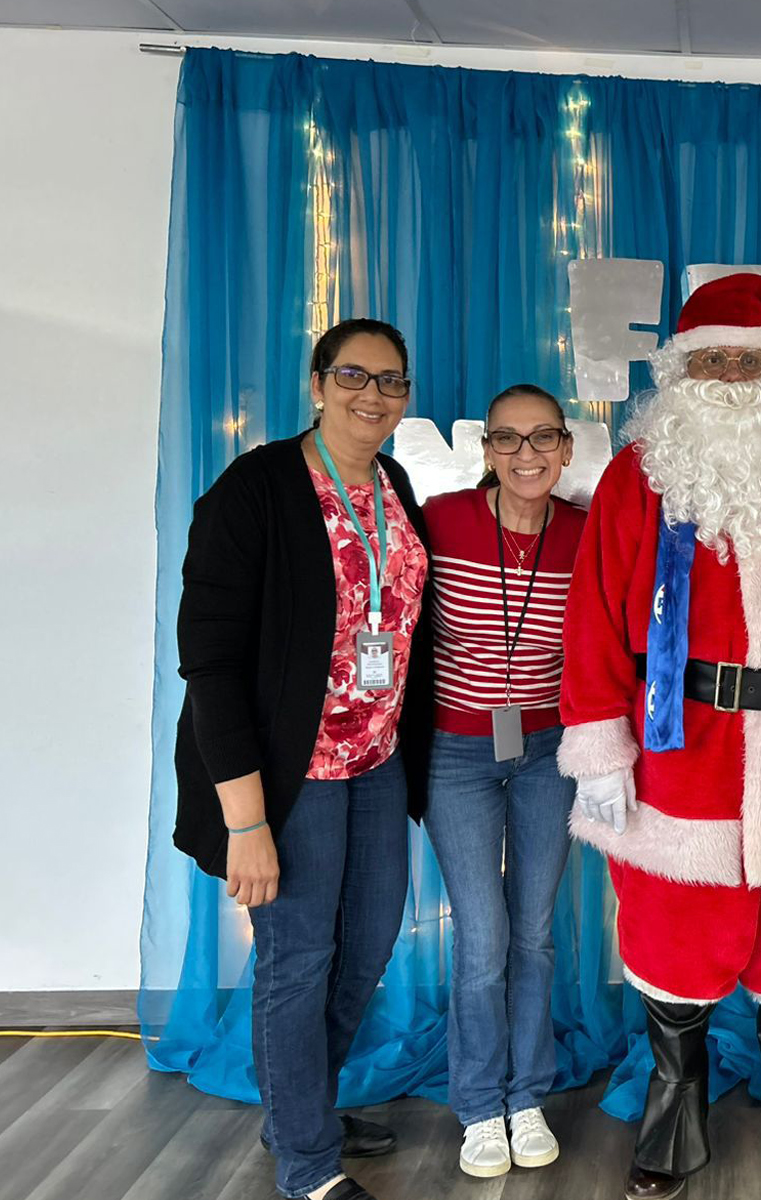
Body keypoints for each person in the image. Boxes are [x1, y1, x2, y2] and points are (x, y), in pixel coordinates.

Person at [558, 273, 761, 1200]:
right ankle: (674, 1107)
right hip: (680, 753)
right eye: (711, 360)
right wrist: (599, 751)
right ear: (680, 375)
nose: (730, 377)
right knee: (672, 935)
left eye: (749, 361)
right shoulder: (637, 476)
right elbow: (594, 619)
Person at [173, 318, 434, 1200]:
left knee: (367, 947)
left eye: (391, 381)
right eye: (353, 375)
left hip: (377, 762)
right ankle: (308, 1164)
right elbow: (210, 663)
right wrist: (246, 822)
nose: (373, 395)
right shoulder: (255, 488)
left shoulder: (394, 483)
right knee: (298, 962)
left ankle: (299, 1108)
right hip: (292, 779)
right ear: (318, 385)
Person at [421, 385, 585, 1178]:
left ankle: (528, 1097)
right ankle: (481, 1105)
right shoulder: (442, 521)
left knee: (535, 932)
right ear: (485, 450)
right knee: (483, 938)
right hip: (457, 753)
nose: (527, 454)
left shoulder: (583, 534)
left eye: (543, 437)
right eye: (509, 439)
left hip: (548, 751)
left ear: (566, 448)